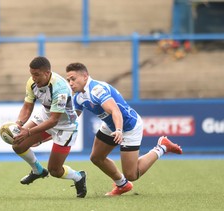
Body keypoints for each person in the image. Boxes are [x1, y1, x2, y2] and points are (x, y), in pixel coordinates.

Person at [65, 62, 183, 196]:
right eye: (68, 80)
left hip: (128, 126)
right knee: (96, 158)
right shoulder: (78, 97)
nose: (70, 83)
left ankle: (162, 147)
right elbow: (72, 120)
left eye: (73, 79)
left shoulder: (97, 90)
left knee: (132, 174)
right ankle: (122, 185)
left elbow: (116, 111)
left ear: (85, 76)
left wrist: (119, 130)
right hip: (110, 126)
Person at [11, 56, 87, 198]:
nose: (33, 78)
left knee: (55, 170)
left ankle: (78, 177)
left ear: (47, 73)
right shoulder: (32, 82)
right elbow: (27, 108)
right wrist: (19, 124)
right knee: (17, 145)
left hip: (65, 126)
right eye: (31, 74)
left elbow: (54, 121)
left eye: (36, 74)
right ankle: (38, 171)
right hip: (46, 116)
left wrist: (28, 132)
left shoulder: (60, 88)